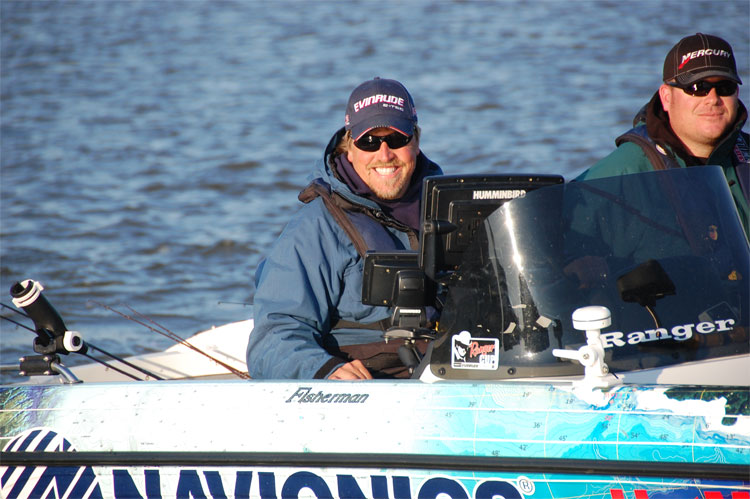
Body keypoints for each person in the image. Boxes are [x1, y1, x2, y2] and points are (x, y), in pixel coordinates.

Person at [247, 78, 442, 380]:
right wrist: (324, 370)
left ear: (415, 143)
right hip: (365, 387)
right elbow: (271, 338)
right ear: (349, 148)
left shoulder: (449, 209)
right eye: (369, 142)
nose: (384, 154)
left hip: (447, 372)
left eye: (396, 139)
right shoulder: (315, 227)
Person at [576, 33, 749, 237]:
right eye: (697, 88)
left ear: (736, 94)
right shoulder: (621, 172)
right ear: (666, 97)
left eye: (724, 87)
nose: (713, 99)